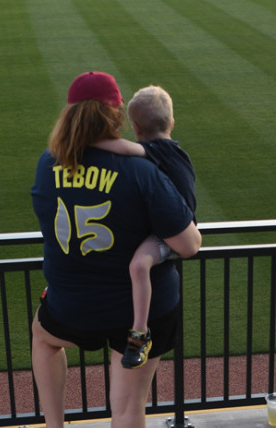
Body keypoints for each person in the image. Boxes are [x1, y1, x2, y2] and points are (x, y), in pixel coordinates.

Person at [22, 71, 201, 428]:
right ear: (115, 114)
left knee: (44, 338)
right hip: (142, 311)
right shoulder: (142, 169)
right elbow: (189, 244)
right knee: (127, 406)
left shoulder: (49, 162)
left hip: (73, 300)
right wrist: (148, 248)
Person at [92, 85, 197, 370]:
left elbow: (121, 147)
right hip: (167, 229)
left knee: (139, 265)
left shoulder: (156, 151)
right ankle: (139, 333)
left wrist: (81, 142)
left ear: (136, 128)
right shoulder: (171, 150)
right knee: (138, 264)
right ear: (172, 123)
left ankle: (139, 334)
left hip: (176, 233)